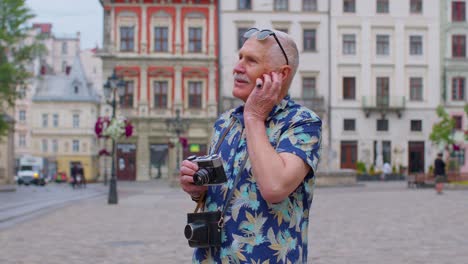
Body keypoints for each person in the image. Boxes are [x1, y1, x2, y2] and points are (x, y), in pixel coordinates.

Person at [179, 28, 322, 263]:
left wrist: (254, 117)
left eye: (251, 60)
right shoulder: (225, 122)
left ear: (281, 74)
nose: (237, 67)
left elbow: (275, 188)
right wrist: (198, 191)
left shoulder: (302, 123)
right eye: (240, 57)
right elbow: (224, 192)